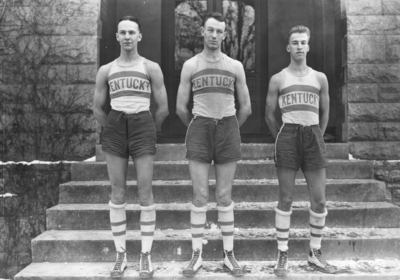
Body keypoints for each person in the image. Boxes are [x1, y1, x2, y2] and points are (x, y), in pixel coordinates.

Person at [176, 12, 252, 278]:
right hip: (199, 126)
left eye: (219, 31)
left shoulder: (235, 66)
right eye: (210, 30)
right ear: (202, 31)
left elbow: (246, 108)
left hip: (228, 126)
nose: (214, 35)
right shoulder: (191, 65)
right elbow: (180, 108)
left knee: (224, 196)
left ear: (224, 34)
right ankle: (196, 255)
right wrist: (199, 129)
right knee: (199, 196)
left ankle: (229, 255)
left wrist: (227, 130)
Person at [92, 15, 169, 279]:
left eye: (131, 32)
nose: (126, 37)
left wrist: (146, 128)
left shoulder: (151, 67)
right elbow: (97, 108)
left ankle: (146, 255)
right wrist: (113, 125)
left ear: (139, 36)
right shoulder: (107, 70)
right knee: (118, 191)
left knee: (145, 192)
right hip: (115, 125)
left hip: (142, 124)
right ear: (116, 37)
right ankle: (120, 254)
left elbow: (163, 108)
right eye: (122, 32)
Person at [265, 25, 335, 276]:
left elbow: (325, 113)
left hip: (313, 135)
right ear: (288, 47)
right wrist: (283, 138)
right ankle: (282, 253)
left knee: (320, 200)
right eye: (294, 42)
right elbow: (269, 115)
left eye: (303, 42)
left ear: (308, 46)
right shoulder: (279, 78)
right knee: (285, 199)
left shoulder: (319, 78)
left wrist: (315, 133)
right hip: (288, 135)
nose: (299, 47)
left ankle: (314, 253)